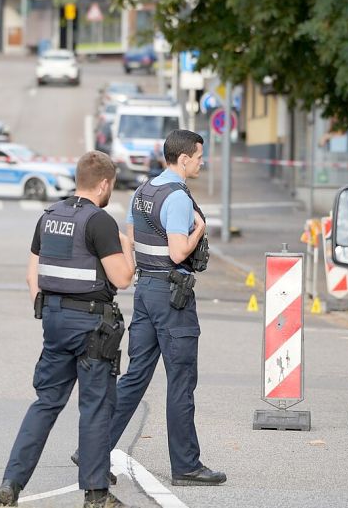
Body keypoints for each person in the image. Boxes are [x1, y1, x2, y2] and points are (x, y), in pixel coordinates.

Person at [0, 151, 136, 508]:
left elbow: (32, 275)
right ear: (103, 184)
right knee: (95, 407)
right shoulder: (99, 221)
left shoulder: (49, 217)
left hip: (55, 322)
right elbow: (122, 278)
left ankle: (11, 483)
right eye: (111, 185)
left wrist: (48, 310)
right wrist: (127, 247)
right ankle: (96, 495)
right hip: (91, 326)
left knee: (45, 404)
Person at [110, 129, 225, 485]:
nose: (202, 163)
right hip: (172, 296)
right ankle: (187, 466)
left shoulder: (143, 190)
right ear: (184, 158)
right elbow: (178, 252)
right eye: (199, 157)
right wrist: (199, 228)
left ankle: (92, 448)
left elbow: (130, 238)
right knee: (181, 381)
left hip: (145, 290)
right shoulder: (177, 197)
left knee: (135, 376)